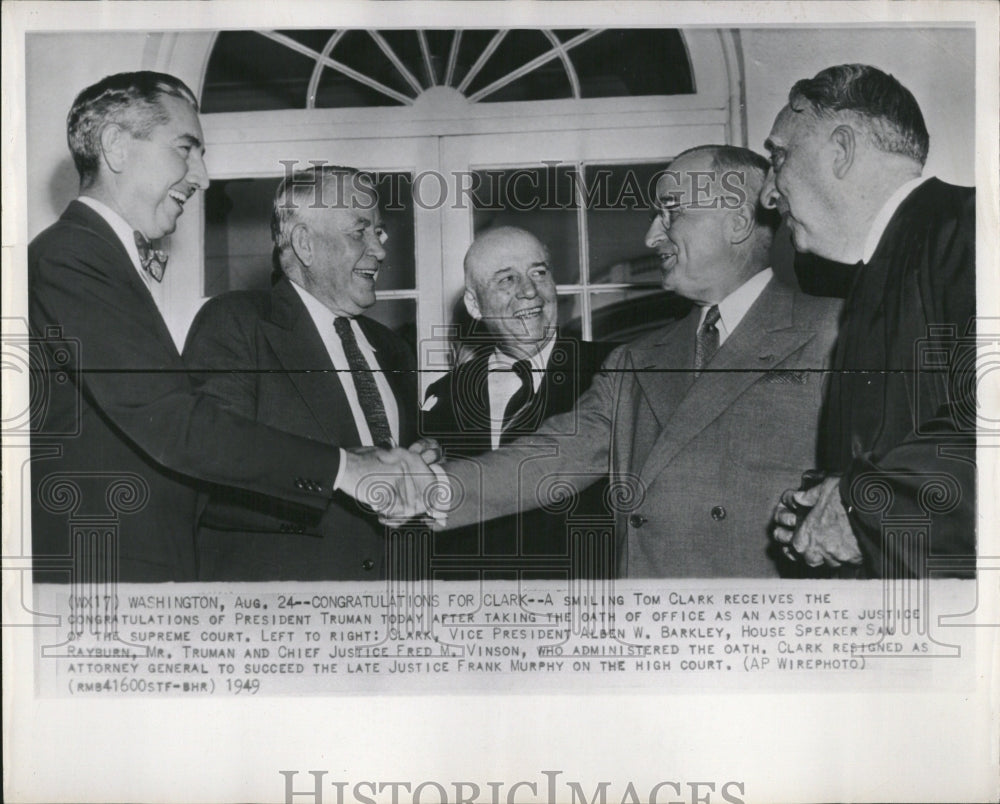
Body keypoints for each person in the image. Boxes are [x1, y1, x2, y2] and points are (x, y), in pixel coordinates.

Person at [28, 71, 419, 583]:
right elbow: (172, 422)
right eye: (186, 149)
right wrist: (347, 469)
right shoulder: (71, 256)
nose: (203, 176)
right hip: (108, 575)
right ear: (116, 146)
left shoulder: (96, 258)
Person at [419, 146, 842, 577]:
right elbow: (551, 457)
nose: (651, 237)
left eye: (672, 212)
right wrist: (417, 491)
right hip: (647, 626)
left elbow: (900, 467)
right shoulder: (633, 360)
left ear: (737, 221)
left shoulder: (838, 333)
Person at [761, 64, 976, 578]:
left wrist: (861, 505)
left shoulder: (972, 228)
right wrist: (826, 502)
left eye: (779, 157)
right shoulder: (880, 270)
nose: (768, 193)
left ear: (841, 150)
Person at [183, 167, 422, 580]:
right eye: (359, 232)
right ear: (304, 244)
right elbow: (207, 478)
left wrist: (420, 464)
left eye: (379, 233)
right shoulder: (237, 323)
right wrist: (341, 476)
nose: (380, 251)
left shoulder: (392, 347)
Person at [421, 227, 615, 577]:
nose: (529, 291)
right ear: (474, 304)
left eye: (539, 273)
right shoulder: (445, 395)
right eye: (506, 280)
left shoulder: (610, 369)